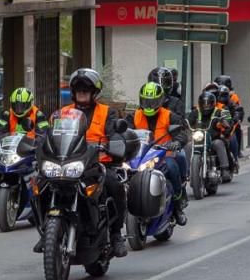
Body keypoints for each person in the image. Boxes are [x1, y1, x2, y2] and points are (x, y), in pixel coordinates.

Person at [38, 68, 129, 257]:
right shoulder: (61, 114)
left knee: (115, 184)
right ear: (73, 91)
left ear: (94, 92)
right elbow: (47, 136)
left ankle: (116, 234)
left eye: (86, 89)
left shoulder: (107, 112)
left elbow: (114, 134)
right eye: (78, 89)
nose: (82, 92)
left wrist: (114, 145)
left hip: (98, 163)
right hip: (67, 163)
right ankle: (47, 231)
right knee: (41, 183)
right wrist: (37, 146)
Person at [127, 82, 188, 225]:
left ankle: (178, 203)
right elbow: (125, 132)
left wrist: (176, 143)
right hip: (140, 157)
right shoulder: (134, 116)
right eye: (146, 101)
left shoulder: (169, 116)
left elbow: (182, 134)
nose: (149, 105)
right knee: (122, 173)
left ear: (160, 100)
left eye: (153, 101)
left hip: (163, 156)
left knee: (172, 168)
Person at [188, 90, 233, 182]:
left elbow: (229, 123)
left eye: (208, 104)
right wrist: (183, 124)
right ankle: (187, 171)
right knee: (188, 146)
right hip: (198, 140)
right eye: (204, 104)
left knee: (218, 143)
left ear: (213, 103)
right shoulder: (195, 112)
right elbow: (188, 121)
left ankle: (225, 169)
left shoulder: (220, 112)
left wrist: (224, 124)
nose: (206, 106)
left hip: (213, 139)